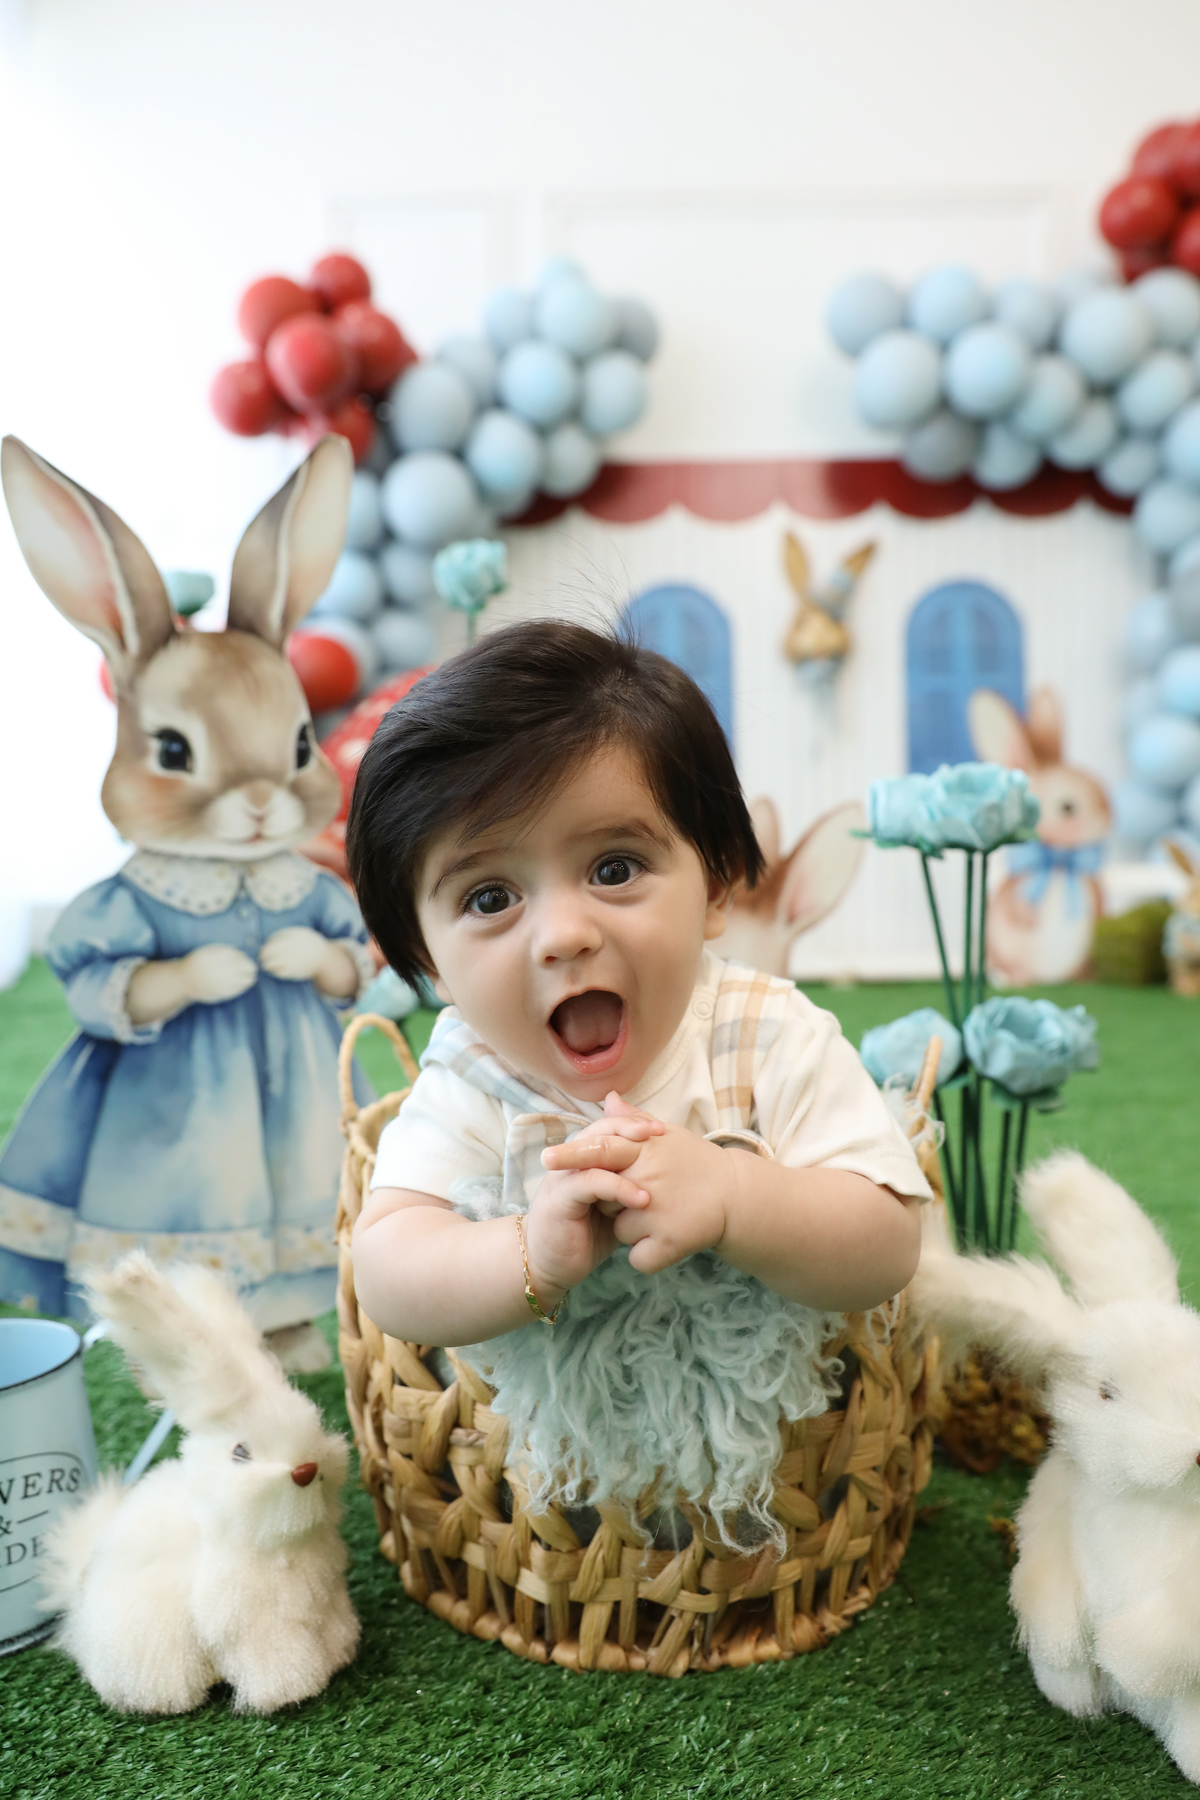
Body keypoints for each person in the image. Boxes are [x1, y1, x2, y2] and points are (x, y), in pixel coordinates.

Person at [347, 620, 930, 1537]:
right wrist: (527, 1256)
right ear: (425, 959)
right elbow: (387, 1268)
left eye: (614, 868)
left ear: (718, 884)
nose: (563, 934)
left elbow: (887, 1240)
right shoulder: (472, 1077)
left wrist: (736, 1195)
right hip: (546, 1508)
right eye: (490, 897)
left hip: (774, 1483)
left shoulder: (765, 1035)